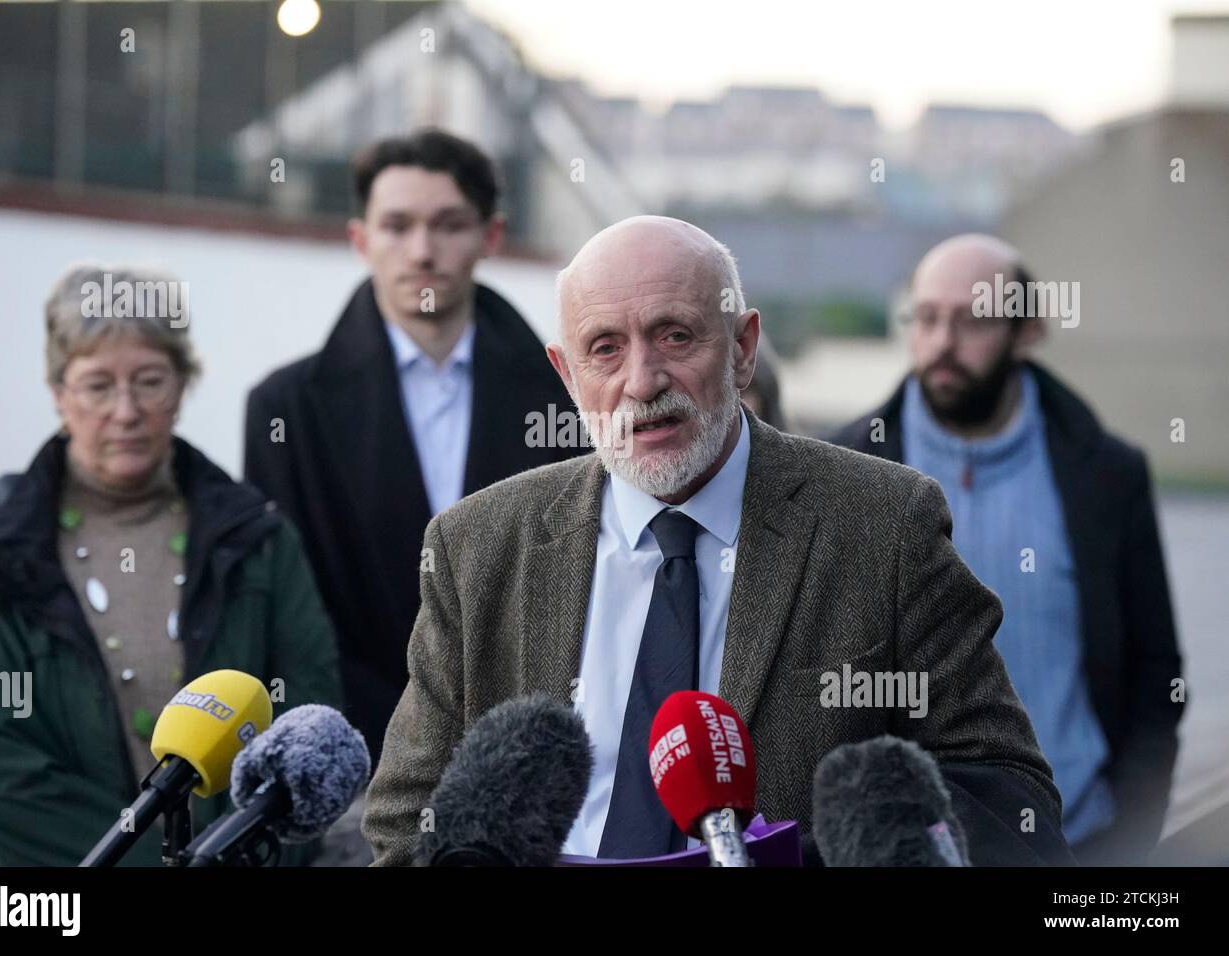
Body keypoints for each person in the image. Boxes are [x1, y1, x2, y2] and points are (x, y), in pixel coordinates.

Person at [362, 216, 1072, 866]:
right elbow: (404, 821)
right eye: (604, 349)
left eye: (675, 335)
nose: (642, 381)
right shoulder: (476, 546)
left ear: (742, 347)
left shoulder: (883, 523)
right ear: (566, 373)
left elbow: (1005, 793)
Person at [0, 263, 342, 866]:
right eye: (97, 385)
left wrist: (221, 857)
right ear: (58, 392)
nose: (125, 411)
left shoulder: (259, 542)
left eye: (150, 380)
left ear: (183, 385)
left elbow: (305, 722)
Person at [831, 234, 1183, 865]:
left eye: (971, 321)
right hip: (910, 851)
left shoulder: (1106, 473)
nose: (942, 343)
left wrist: (1134, 829)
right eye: (928, 317)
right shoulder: (846, 468)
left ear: (1028, 332)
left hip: (1084, 844)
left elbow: (1157, 670)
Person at [244, 129, 580, 766]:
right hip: (360, 762)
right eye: (397, 226)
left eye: (449, 224)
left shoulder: (569, 398)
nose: (422, 251)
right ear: (360, 240)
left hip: (541, 759)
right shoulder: (283, 410)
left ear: (491, 236)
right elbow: (292, 615)